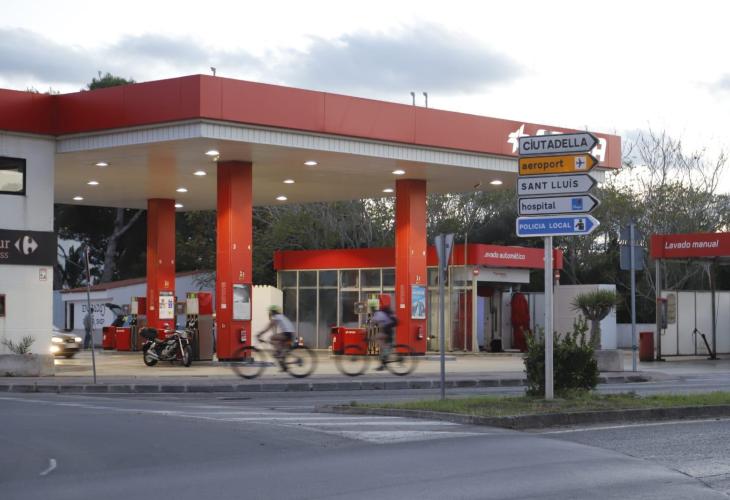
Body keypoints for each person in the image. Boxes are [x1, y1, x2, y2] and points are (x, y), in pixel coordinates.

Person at [256, 305, 295, 371]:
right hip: (289, 333)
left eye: (270, 312)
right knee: (278, 344)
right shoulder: (280, 317)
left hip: (287, 334)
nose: (269, 313)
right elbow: (274, 327)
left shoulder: (277, 317)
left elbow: (269, 326)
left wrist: (260, 333)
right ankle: (283, 365)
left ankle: (279, 353)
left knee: (272, 338)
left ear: (272, 312)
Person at [372, 294, 398, 371]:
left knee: (377, 340)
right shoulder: (383, 312)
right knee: (382, 347)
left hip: (388, 332)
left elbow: (374, 322)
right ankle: (382, 365)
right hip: (388, 331)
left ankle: (386, 351)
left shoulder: (379, 314)